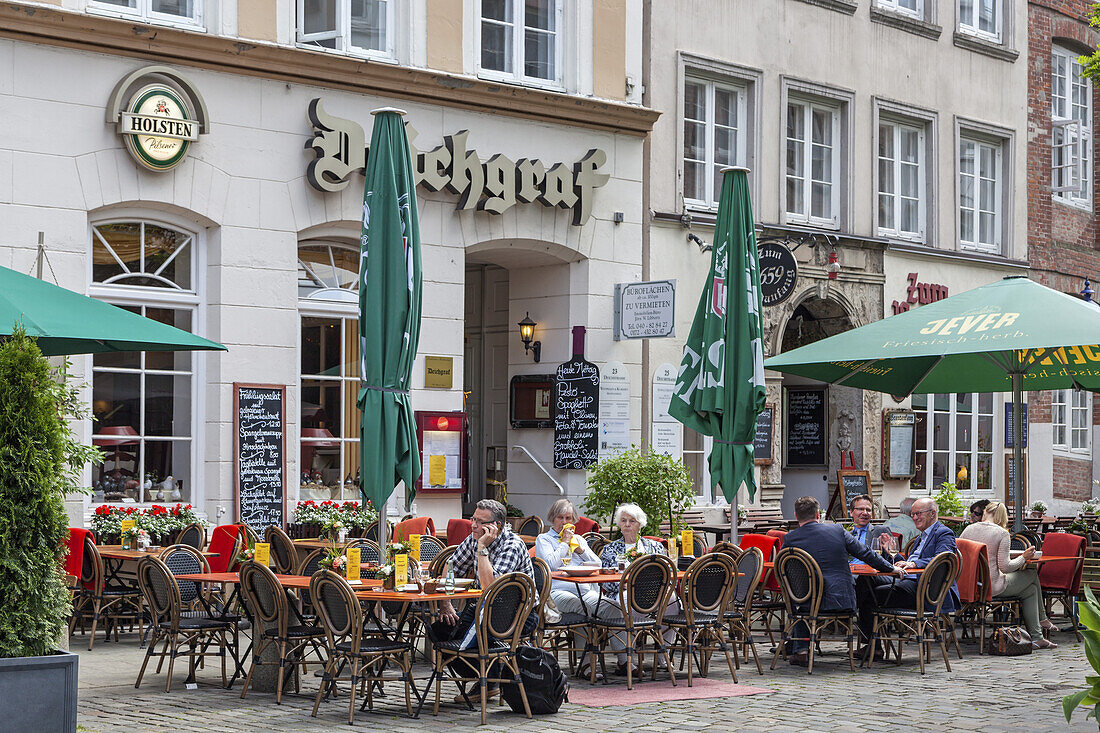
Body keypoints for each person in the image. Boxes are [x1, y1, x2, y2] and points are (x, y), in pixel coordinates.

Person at [432, 499, 538, 700]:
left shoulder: (512, 545)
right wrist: (445, 603)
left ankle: (488, 680)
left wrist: (482, 548)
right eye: (473, 519)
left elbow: (491, 587)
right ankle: (486, 679)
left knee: (466, 637)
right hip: (483, 609)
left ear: (495, 526)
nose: (473, 525)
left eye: (480, 522)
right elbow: (451, 566)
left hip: (517, 615)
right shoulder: (474, 537)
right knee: (440, 629)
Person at [781, 496, 902, 666]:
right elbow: (865, 553)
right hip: (840, 600)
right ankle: (870, 644)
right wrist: (891, 568)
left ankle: (801, 650)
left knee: (801, 602)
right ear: (818, 514)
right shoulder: (837, 530)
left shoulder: (790, 539)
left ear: (795, 515)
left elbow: (786, 568)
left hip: (806, 602)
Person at [857, 497, 960, 645]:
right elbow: (906, 565)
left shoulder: (943, 533)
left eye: (919, 513)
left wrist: (914, 563)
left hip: (925, 589)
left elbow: (944, 559)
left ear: (932, 513)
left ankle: (871, 645)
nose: (915, 518)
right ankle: (867, 637)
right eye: (913, 514)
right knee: (865, 580)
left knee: (869, 595)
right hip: (908, 580)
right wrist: (891, 552)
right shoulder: (921, 537)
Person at [960, 501, 1058, 649]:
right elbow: (1005, 567)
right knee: (1031, 573)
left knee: (1030, 591)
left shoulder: (968, 530)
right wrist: (1024, 557)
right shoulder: (1001, 533)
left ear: (985, 512)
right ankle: (1043, 619)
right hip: (992, 587)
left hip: (971, 585)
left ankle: (1037, 637)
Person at [596, 503, 679, 676]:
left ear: (640, 524)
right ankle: (625, 659)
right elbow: (605, 581)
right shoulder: (611, 549)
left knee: (672, 600)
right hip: (624, 593)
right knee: (622, 602)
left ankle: (664, 653)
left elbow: (668, 572)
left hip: (654, 594)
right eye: (624, 520)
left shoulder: (653, 547)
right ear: (619, 524)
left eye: (632, 521)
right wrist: (627, 585)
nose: (627, 524)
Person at [534, 498, 602, 675]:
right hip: (557, 592)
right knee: (585, 608)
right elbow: (551, 565)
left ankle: (624, 661)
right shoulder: (544, 539)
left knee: (610, 607)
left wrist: (581, 550)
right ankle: (587, 663)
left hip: (585, 589)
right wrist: (564, 544)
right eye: (560, 518)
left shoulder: (579, 539)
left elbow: (597, 564)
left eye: (568, 518)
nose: (564, 522)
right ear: (552, 518)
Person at [848, 494, 892, 565]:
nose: (865, 513)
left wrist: (889, 552)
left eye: (868, 510)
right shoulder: (845, 534)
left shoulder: (880, 531)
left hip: (871, 573)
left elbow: (892, 560)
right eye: (860, 509)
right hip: (848, 573)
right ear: (851, 512)